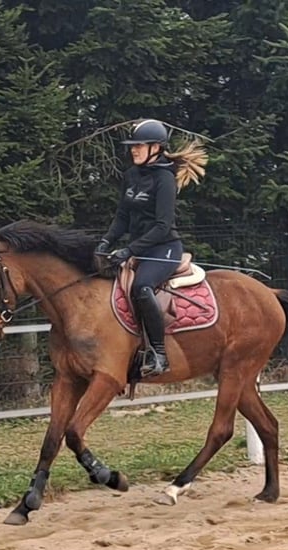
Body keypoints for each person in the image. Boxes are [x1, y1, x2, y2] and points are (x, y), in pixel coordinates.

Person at [95, 119, 208, 377]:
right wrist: (106, 242)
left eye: (139, 145)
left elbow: (161, 226)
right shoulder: (131, 175)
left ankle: (159, 354)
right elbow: (122, 217)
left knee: (141, 286)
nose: (133, 150)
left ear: (156, 147)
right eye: (132, 146)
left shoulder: (164, 179)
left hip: (164, 248)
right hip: (139, 248)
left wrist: (129, 250)